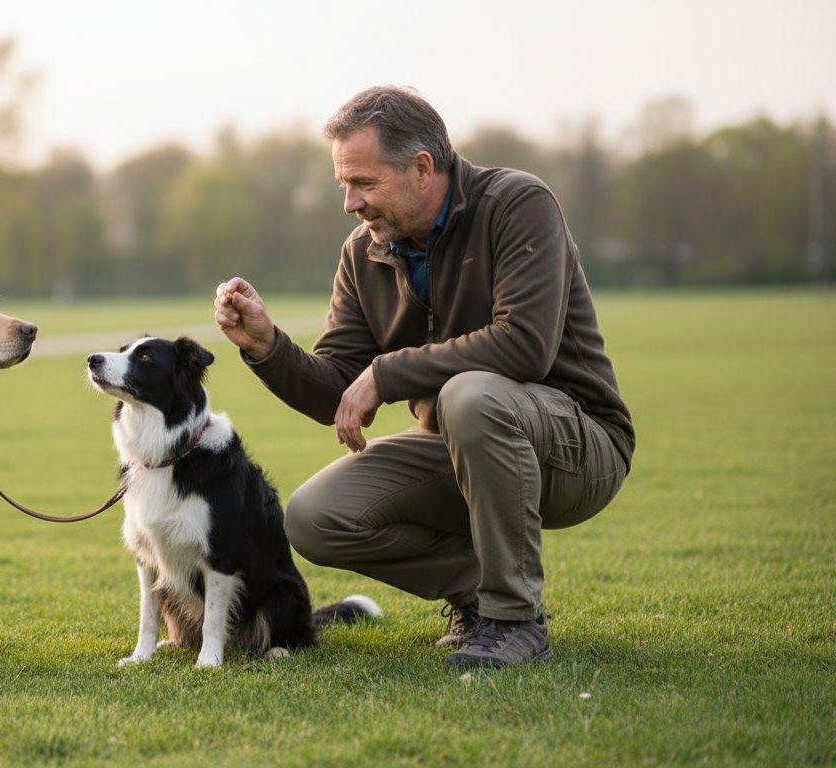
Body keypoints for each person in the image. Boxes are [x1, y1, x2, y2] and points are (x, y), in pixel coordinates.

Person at [213, 86, 633, 669]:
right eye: (344, 185)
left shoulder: (518, 204)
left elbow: (525, 346)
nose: (350, 204)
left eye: (364, 183)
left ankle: (516, 620)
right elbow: (338, 385)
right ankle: (478, 598)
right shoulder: (363, 254)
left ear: (422, 168)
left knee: (470, 395)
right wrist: (268, 348)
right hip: (461, 446)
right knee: (314, 517)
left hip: (577, 448)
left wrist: (388, 372)